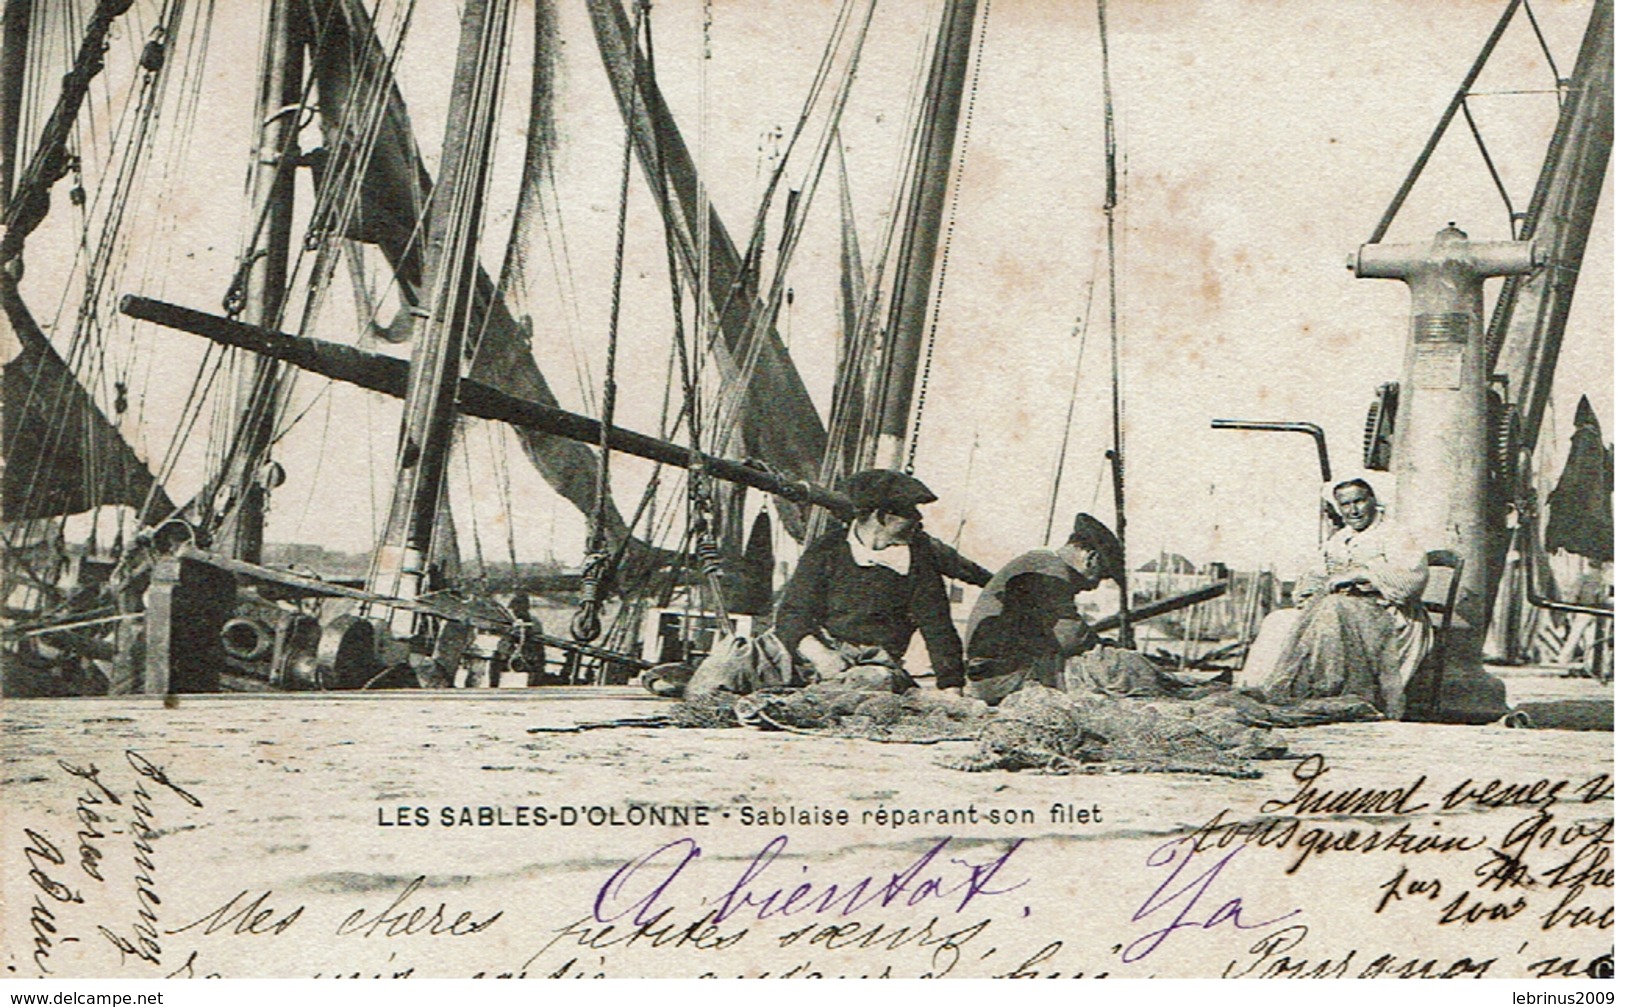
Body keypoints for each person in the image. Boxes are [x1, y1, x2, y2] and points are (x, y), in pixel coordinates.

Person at [773, 469, 965, 694]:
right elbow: (792, 614)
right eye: (909, 512)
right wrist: (821, 655)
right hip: (813, 655)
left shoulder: (918, 564)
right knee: (732, 665)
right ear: (882, 516)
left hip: (872, 666)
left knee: (871, 683)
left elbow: (938, 629)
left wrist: (952, 687)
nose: (918, 519)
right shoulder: (826, 550)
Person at [1258, 478, 1432, 718]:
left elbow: (1412, 580)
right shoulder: (1339, 538)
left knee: (1332, 608)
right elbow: (1317, 573)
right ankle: (1281, 689)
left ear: (1373, 501)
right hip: (1342, 609)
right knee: (1279, 620)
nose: (1353, 510)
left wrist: (1361, 573)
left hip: (1389, 615)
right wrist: (1311, 590)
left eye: (1359, 501)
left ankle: (1336, 694)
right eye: (1345, 505)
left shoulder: (1395, 534)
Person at [962, 512, 1121, 705]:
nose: (1093, 586)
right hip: (1006, 680)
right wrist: (1107, 647)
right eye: (1100, 576)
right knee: (1120, 667)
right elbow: (1070, 637)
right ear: (1091, 558)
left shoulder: (1039, 563)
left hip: (991, 675)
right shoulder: (1052, 572)